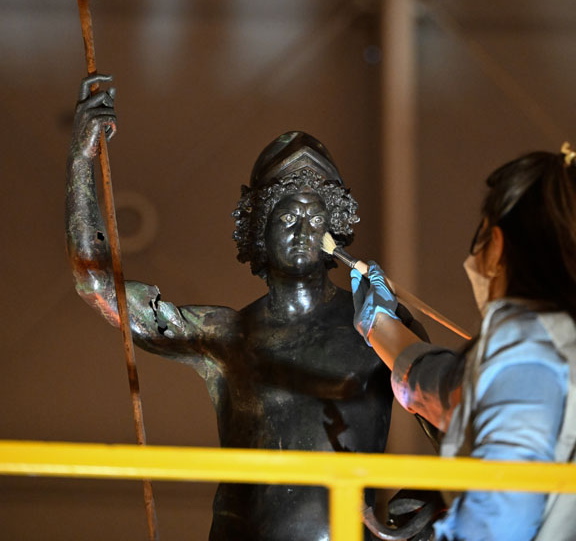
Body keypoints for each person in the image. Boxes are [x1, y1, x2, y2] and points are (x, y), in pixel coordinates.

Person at [66, 74, 427, 541]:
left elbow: (464, 424)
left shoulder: (380, 328)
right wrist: (81, 159)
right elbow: (95, 283)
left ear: (333, 229)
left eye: (316, 216)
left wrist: (420, 504)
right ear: (259, 229)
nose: (303, 229)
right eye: (287, 215)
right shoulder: (225, 334)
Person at [351, 146, 576, 541]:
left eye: (482, 236)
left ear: (498, 246)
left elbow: (497, 520)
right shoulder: (545, 344)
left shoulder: (529, 356)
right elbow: (453, 389)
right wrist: (381, 326)